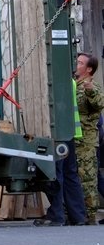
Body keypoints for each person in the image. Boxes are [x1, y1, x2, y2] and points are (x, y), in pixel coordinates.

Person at [34, 63, 87, 226]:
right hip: (70, 133)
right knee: (70, 174)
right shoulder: (70, 81)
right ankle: (78, 215)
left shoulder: (59, 81)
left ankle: (56, 214)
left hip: (59, 134)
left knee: (56, 173)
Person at [73, 52, 104, 223]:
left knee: (88, 180)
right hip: (74, 140)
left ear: (89, 68)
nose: (76, 65)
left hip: (86, 142)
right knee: (75, 178)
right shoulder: (74, 85)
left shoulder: (91, 86)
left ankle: (90, 216)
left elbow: (99, 103)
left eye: (79, 63)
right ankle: (75, 213)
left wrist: (91, 92)